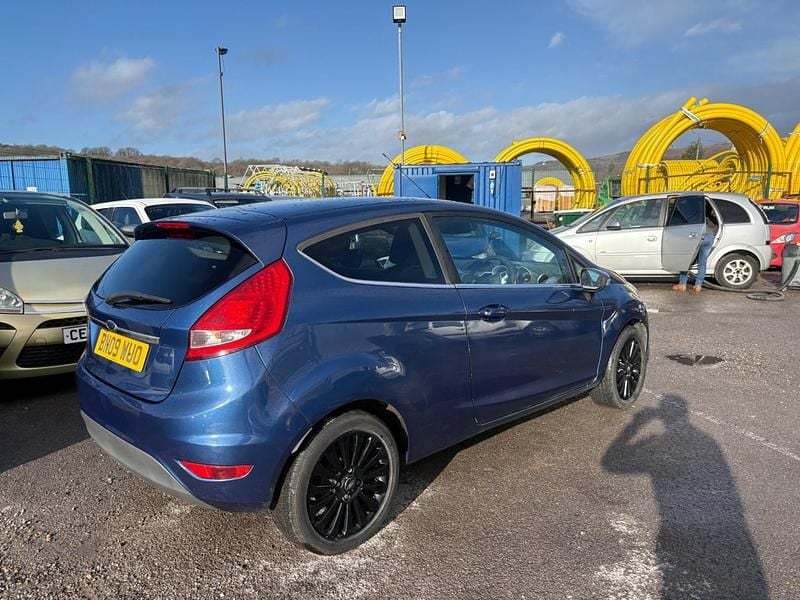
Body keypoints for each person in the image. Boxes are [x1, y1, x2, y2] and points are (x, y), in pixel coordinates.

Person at [672, 203, 718, 293]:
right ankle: (698, 285)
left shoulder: (692, 215)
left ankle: (682, 284)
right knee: (702, 262)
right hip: (709, 237)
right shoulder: (708, 216)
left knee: (686, 261)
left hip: (697, 237)